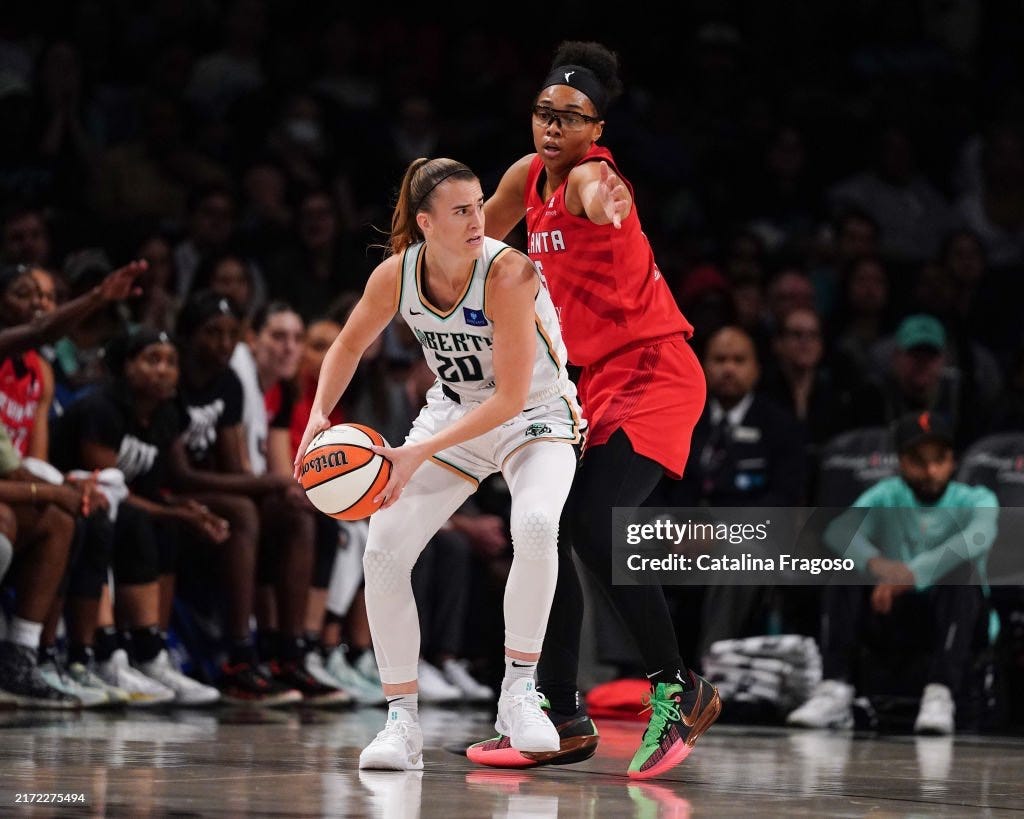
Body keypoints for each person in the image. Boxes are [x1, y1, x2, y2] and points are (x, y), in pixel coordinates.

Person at [469, 41, 720, 779]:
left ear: (595, 130)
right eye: (545, 113)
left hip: (656, 371)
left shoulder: (590, 176)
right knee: (541, 524)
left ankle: (680, 686)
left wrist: (609, 200)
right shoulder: (526, 177)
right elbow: (472, 239)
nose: (553, 127)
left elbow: (598, 196)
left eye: (570, 118)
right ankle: (562, 712)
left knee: (588, 520)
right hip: (588, 383)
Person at [293, 157, 582, 770]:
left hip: (536, 417)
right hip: (455, 413)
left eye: (480, 204)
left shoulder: (509, 273)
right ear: (426, 222)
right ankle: (401, 722)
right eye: (461, 210)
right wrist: (319, 415)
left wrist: (414, 451)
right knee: (383, 550)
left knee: (533, 527)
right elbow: (347, 344)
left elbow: (507, 397)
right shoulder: (395, 276)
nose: (479, 219)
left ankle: (518, 695)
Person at [786, 411, 997, 735]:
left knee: (963, 570)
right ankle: (834, 686)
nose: (930, 470)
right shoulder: (887, 494)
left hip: (958, 618)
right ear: (900, 461)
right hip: (894, 614)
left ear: (952, 460)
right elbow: (839, 532)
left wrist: (910, 575)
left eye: (939, 459)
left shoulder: (976, 498)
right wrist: (877, 564)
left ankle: (940, 693)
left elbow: (978, 537)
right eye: (918, 460)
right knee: (845, 567)